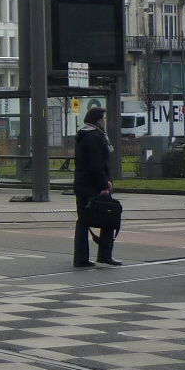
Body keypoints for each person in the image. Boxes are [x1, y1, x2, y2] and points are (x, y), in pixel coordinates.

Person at [73, 105, 120, 268]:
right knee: (109, 216)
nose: (105, 121)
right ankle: (104, 255)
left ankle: (81, 257)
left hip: (83, 185)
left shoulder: (86, 135)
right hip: (93, 186)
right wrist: (104, 184)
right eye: (104, 118)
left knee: (83, 221)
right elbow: (96, 164)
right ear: (98, 120)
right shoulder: (94, 137)